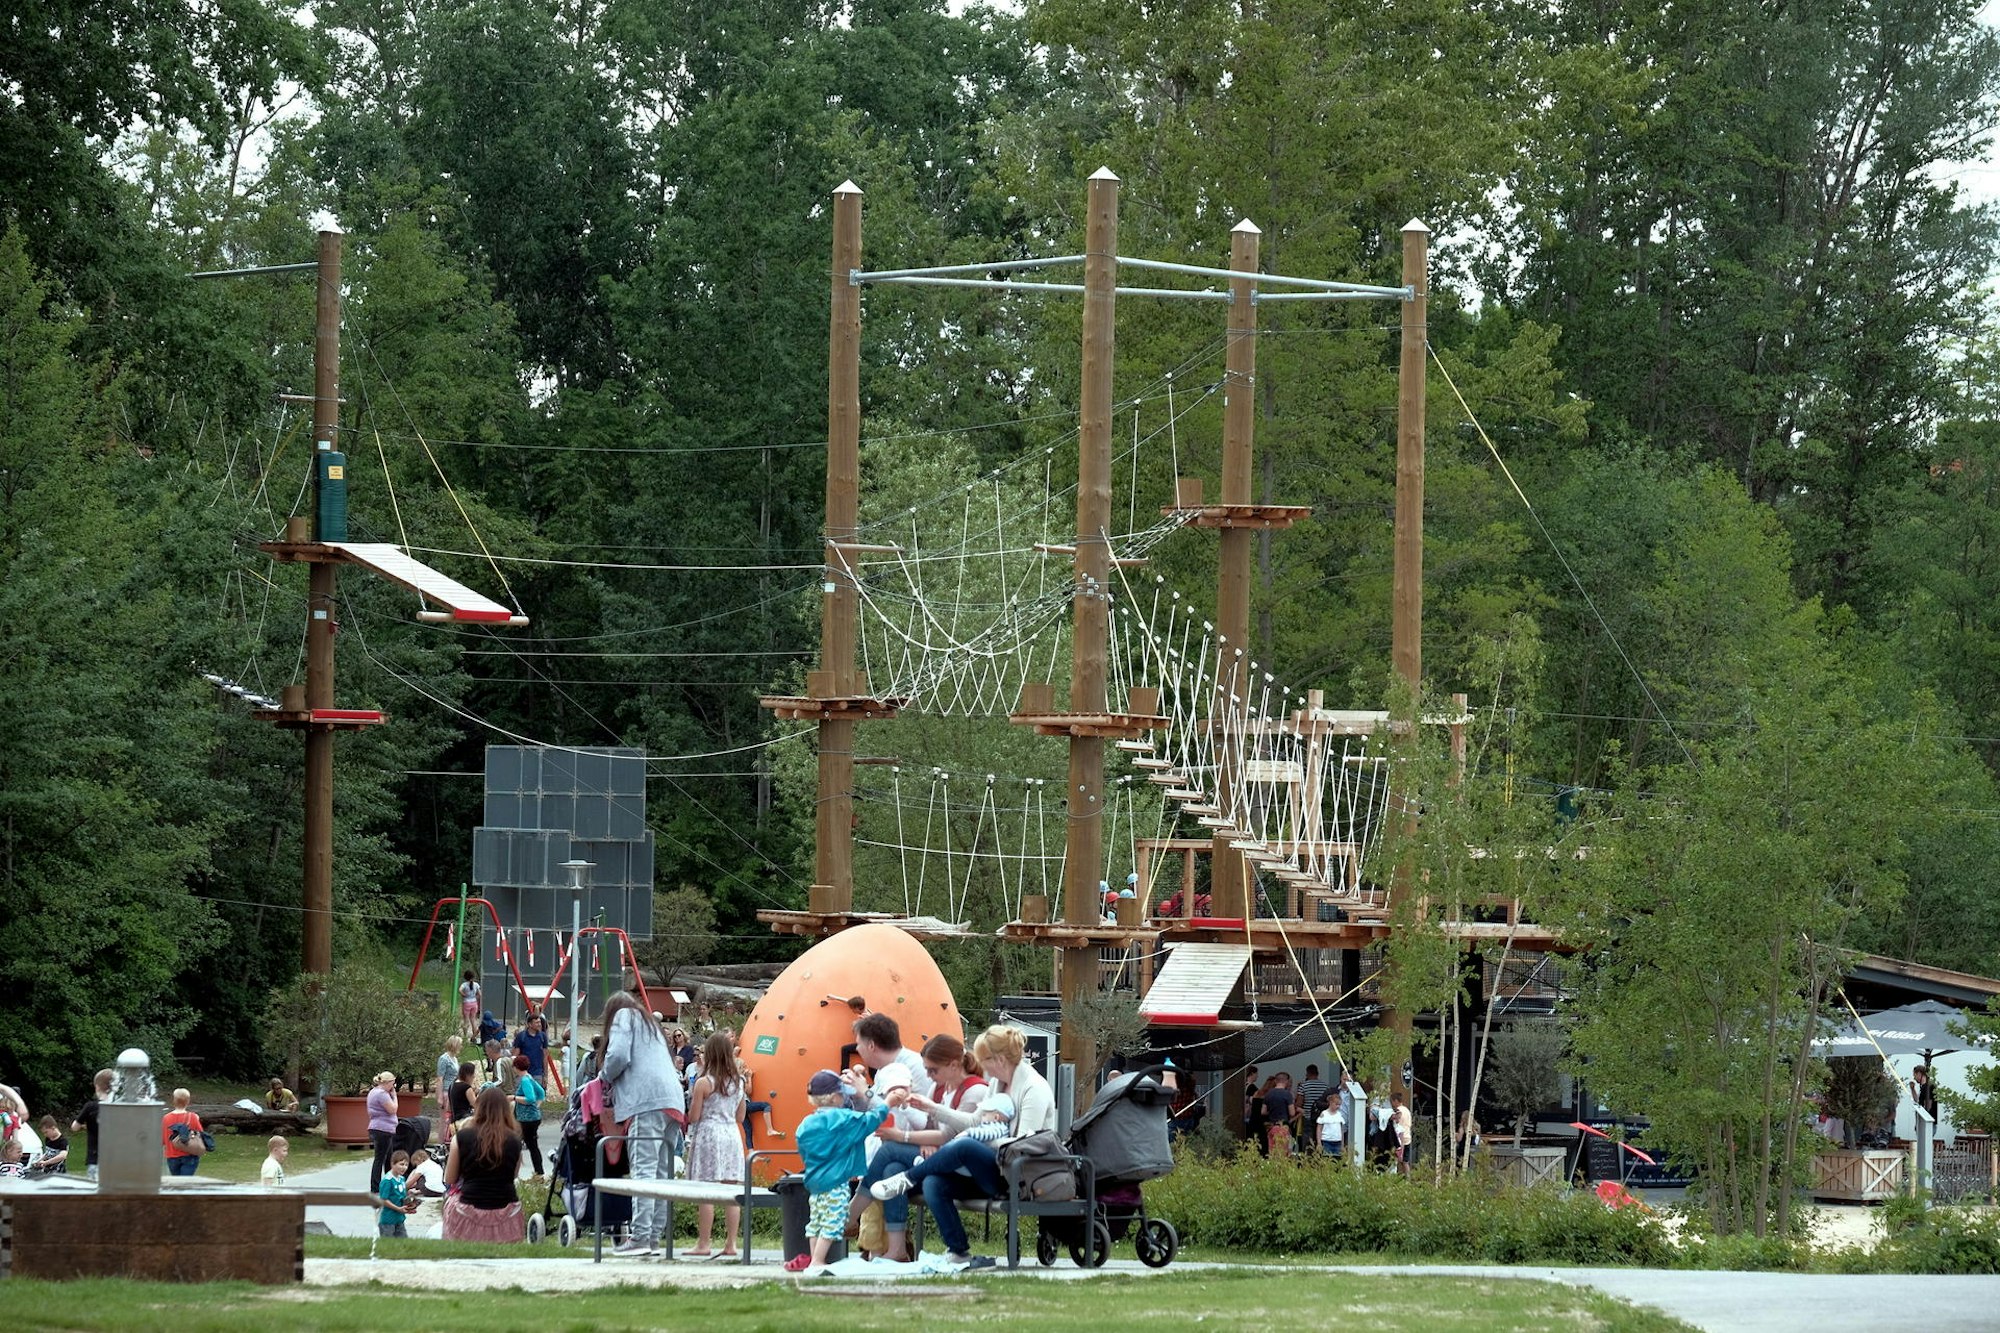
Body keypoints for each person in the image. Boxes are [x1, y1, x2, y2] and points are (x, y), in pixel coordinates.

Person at [869, 1024, 1056, 1269]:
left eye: (984, 1061)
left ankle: (906, 1177)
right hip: (992, 1168)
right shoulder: (996, 1084)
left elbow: (1024, 1143)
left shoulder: (1034, 1088)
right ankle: (959, 1251)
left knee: (965, 1145)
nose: (981, 1067)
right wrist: (932, 1108)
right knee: (933, 1183)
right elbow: (974, 1121)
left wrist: (977, 1137)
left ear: (998, 1060)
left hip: (1017, 1173)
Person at [600, 990, 685, 1258]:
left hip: (646, 1101)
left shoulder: (624, 1016)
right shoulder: (652, 1026)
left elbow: (618, 1056)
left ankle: (639, 1238)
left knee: (644, 1171)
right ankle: (653, 1237)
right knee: (662, 1174)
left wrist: (603, 1077)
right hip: (672, 1101)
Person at [789, 1069, 892, 1273]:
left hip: (815, 1182)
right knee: (833, 1221)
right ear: (836, 1097)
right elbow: (874, 1117)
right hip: (836, 1182)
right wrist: (888, 1102)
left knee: (816, 1221)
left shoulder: (806, 1123)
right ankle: (818, 1260)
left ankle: (814, 1259)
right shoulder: (843, 1120)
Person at [683, 1030, 748, 1258]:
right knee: (731, 1192)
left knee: (707, 1191)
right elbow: (741, 1116)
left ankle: (704, 1242)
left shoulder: (704, 1082)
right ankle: (731, 1244)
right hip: (731, 1134)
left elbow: (694, 1116)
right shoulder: (739, 1082)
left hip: (709, 1135)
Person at [442, 1087, 525, 1242]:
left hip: (467, 1209)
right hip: (507, 1210)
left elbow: (450, 1178)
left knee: (449, 1200)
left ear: (478, 1107)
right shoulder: (515, 1140)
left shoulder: (461, 1138)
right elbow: (513, 1175)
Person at [71, 1068, 112, 1182]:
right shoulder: (119, 1106)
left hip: (95, 1157)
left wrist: (86, 1125)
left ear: (97, 1086)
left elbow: (74, 1127)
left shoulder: (90, 1107)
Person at [510, 1054, 546, 1178]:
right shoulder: (529, 1077)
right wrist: (538, 1106)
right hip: (532, 1117)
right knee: (531, 1145)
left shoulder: (525, 1080)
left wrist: (514, 1098)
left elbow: (530, 1098)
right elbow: (541, 1092)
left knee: (520, 1144)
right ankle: (538, 1172)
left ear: (516, 1067)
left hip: (527, 1119)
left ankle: (537, 1173)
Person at [366, 1070, 398, 1193]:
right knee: (380, 1158)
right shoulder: (381, 1094)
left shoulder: (373, 1092)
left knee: (388, 1158)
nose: (393, 1086)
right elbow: (392, 1109)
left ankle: (389, 1184)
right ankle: (375, 1186)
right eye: (393, 1083)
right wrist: (394, 1096)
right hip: (382, 1129)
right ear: (388, 1082)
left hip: (380, 1128)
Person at [162, 1088, 205, 1177]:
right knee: (186, 1183)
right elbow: (200, 1134)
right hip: (189, 1154)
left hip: (172, 1156)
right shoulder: (193, 1117)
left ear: (174, 1101)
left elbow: (163, 1139)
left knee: (177, 1184)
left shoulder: (166, 1118)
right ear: (188, 1101)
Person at [378, 1150, 418, 1238]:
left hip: (399, 1219)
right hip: (388, 1220)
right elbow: (383, 1200)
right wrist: (398, 1208)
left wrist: (409, 1206)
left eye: (406, 1165)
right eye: (401, 1164)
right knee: (388, 1245)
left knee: (403, 1243)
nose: (404, 1168)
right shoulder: (387, 1181)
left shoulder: (401, 1179)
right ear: (392, 1164)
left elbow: (402, 1197)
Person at [1296, 1065, 1330, 1152]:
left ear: (1307, 1073)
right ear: (1317, 1074)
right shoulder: (1325, 1086)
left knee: (1307, 1140)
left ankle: (1308, 1159)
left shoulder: (1303, 1085)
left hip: (1308, 1116)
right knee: (1321, 1138)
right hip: (1322, 1117)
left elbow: (1299, 1103)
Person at [512, 1012, 550, 1083]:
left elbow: (545, 1056)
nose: (539, 1025)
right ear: (529, 1024)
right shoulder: (521, 1036)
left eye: (540, 1022)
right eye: (537, 1023)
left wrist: (545, 1075)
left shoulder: (543, 1037)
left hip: (538, 1073)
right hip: (523, 1072)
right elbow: (515, 1055)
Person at [434, 1035, 463, 1116]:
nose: (461, 1047)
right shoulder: (444, 1059)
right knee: (445, 1118)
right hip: (446, 1090)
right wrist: (440, 1097)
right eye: (460, 1045)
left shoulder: (454, 1059)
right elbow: (440, 1078)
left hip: (454, 1090)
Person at [448, 1061, 478, 1128]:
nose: (474, 1077)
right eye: (473, 1075)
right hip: (465, 1119)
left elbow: (448, 1107)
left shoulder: (452, 1085)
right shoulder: (466, 1087)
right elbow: (476, 1104)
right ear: (468, 1075)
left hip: (454, 1120)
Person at [1390, 1093, 1413, 1173]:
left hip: (1400, 1139)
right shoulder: (1407, 1110)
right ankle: (1407, 1179)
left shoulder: (1398, 1112)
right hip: (1408, 1138)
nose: (1391, 1104)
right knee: (1405, 1162)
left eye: (1392, 1101)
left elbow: (1396, 1124)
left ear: (1396, 1101)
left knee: (1396, 1160)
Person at [459, 969, 482, 1040]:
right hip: (474, 1003)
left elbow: (460, 990)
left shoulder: (464, 984)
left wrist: (464, 995)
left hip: (466, 1003)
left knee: (466, 1020)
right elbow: (480, 994)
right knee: (473, 1020)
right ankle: (474, 1036)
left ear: (465, 977)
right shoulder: (476, 984)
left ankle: (465, 1036)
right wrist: (475, 997)